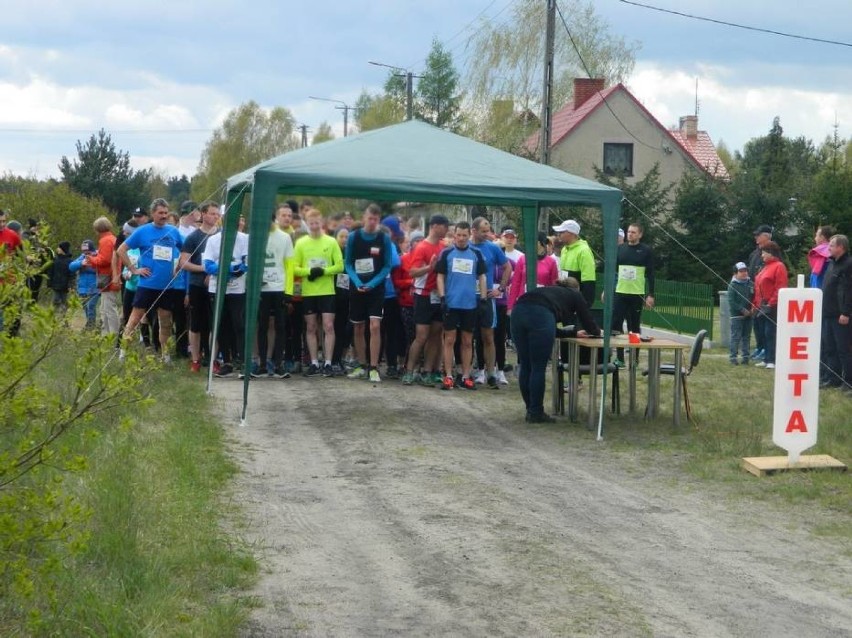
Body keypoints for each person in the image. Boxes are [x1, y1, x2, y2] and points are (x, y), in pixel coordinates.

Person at [511, 282, 601, 423]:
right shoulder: (576, 294)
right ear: (575, 288)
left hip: (518, 312)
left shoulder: (548, 291)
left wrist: (572, 333)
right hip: (540, 314)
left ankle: (530, 409)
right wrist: (598, 333)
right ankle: (536, 412)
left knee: (526, 364)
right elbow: (588, 321)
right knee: (538, 366)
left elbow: (551, 329)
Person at [116, 198, 184, 363]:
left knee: (165, 320)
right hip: (147, 284)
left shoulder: (173, 231)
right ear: (153, 213)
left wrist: (178, 266)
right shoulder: (143, 231)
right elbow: (121, 250)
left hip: (167, 285)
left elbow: (186, 250)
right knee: (134, 318)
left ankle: (165, 355)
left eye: (166, 213)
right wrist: (133, 269)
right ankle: (122, 353)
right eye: (160, 213)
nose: (164, 216)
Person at [344, 203, 394, 382]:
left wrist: (372, 284)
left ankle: (374, 367)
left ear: (379, 220)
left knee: (374, 326)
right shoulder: (353, 237)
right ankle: (362, 364)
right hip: (357, 287)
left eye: (375, 219)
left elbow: (387, 265)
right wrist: (357, 282)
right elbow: (348, 263)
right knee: (358, 326)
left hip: (376, 288)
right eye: (369, 218)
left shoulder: (384, 238)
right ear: (364, 218)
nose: (372, 222)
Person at [435, 221, 487, 391]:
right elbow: (440, 276)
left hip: (470, 304)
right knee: (449, 339)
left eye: (465, 235)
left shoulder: (476, 253)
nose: (462, 238)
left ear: (469, 235)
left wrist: (483, 298)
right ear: (454, 235)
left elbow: (482, 276)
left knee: (467, 341)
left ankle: (465, 376)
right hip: (451, 302)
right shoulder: (447, 252)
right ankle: (449, 375)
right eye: (459, 235)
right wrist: (442, 297)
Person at [293, 208, 343, 377]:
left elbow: (339, 266)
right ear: (308, 224)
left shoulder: (331, 242)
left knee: (328, 326)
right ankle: (314, 362)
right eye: (311, 223)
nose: (314, 226)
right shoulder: (301, 243)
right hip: (309, 292)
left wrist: (323, 271)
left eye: (317, 222)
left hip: (327, 291)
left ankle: (328, 362)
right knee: (311, 327)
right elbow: (294, 268)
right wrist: (309, 272)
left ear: (322, 223)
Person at [401, 214, 449, 386]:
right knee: (421, 336)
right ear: (435, 226)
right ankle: (409, 370)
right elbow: (412, 272)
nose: (447, 229)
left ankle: (428, 371)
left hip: (439, 294)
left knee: (436, 335)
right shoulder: (422, 247)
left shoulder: (444, 247)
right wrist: (430, 267)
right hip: (423, 295)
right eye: (445, 226)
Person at [470, 217, 512, 389]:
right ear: (473, 230)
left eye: (488, 231)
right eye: (483, 231)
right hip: (467, 298)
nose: (487, 234)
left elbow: (508, 267)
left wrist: (500, 289)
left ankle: (491, 373)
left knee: (489, 336)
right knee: (467, 337)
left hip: (486, 297)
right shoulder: (466, 247)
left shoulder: (493, 248)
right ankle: (470, 371)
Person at [180, 201, 220, 372]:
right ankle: (195, 359)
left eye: (217, 215)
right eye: (212, 214)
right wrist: (204, 269)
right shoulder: (193, 237)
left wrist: (212, 273)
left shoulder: (222, 235)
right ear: (203, 214)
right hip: (197, 285)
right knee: (195, 324)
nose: (215, 217)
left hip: (215, 285)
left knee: (214, 324)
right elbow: (184, 263)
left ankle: (213, 359)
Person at [610, 222, 655, 367]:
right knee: (616, 325)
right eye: (629, 232)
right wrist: (608, 289)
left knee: (634, 326)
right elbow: (613, 271)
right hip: (620, 292)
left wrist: (650, 294)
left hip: (636, 294)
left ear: (640, 234)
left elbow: (651, 274)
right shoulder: (620, 249)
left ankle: (634, 359)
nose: (630, 234)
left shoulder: (646, 250)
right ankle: (620, 358)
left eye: (634, 232)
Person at [819, 234, 851, 390]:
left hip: (841, 315)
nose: (828, 248)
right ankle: (834, 378)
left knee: (843, 349)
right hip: (828, 314)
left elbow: (849, 290)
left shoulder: (848, 264)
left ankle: (849, 381)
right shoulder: (831, 264)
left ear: (841, 247)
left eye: (831, 245)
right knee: (829, 347)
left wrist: (846, 312)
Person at [751, 241, 787, 370]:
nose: (762, 256)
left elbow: (780, 287)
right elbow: (757, 287)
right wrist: (756, 304)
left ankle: (772, 359)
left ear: (771, 253)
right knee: (762, 332)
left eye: (764, 253)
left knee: (770, 332)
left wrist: (771, 303)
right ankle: (766, 358)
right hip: (761, 305)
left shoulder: (779, 266)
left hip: (773, 306)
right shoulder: (764, 267)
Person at [85, 216, 122, 337]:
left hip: (108, 278)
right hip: (112, 277)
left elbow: (104, 260)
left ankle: (113, 335)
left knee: (109, 308)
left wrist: (91, 258)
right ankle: (105, 334)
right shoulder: (113, 238)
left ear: (98, 229)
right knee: (104, 308)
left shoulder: (105, 240)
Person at [506, 232, 559, 310]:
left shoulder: (551, 262)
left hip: (543, 303)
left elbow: (554, 285)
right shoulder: (522, 259)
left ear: (540, 243)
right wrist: (510, 306)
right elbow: (515, 283)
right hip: (523, 301)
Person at [554, 219, 596, 308]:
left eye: (562, 232)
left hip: (577, 300)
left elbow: (588, 279)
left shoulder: (584, 251)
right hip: (564, 297)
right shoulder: (564, 249)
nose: (559, 234)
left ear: (571, 233)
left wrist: (585, 303)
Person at [748, 224, 773, 360]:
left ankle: (765, 349)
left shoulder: (771, 251)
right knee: (756, 323)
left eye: (759, 235)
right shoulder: (755, 253)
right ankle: (759, 347)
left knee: (764, 324)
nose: (756, 237)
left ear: (766, 236)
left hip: (764, 295)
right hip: (753, 292)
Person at [68, 240, 100, 329]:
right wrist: (80, 263)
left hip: (94, 286)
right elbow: (71, 266)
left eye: (87, 251)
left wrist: (91, 264)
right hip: (82, 287)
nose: (86, 253)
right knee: (85, 307)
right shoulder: (82, 257)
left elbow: (101, 267)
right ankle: (90, 324)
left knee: (91, 306)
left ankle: (91, 326)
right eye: (84, 251)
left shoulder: (98, 256)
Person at [727, 262, 754, 365]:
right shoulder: (732, 285)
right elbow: (731, 301)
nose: (744, 273)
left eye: (745, 271)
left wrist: (752, 309)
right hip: (737, 316)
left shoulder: (751, 284)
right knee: (736, 337)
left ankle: (746, 357)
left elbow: (754, 297)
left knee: (746, 337)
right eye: (741, 271)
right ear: (735, 273)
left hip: (749, 315)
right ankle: (733, 358)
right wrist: (742, 310)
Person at [47, 241, 73, 313]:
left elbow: (71, 275)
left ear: (63, 249)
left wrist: (70, 285)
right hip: (55, 285)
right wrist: (49, 282)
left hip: (65, 287)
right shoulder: (55, 260)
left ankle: (65, 320)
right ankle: (53, 318)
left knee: (64, 302)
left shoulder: (70, 261)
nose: (57, 249)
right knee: (55, 301)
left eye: (59, 247)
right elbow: (50, 272)